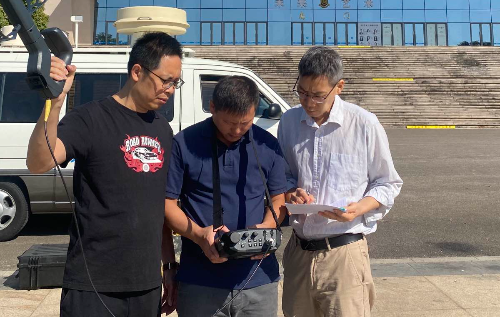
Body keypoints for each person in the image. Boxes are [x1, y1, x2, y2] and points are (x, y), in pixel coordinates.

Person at [26, 32, 183, 317]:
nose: (170, 90)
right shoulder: (90, 119)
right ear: (137, 72)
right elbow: (39, 162)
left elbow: (158, 207)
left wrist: (169, 266)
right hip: (93, 285)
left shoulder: (162, 129)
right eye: (166, 80)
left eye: (175, 83)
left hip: (146, 285)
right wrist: (55, 102)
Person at [278, 46, 403, 317]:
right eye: (302, 92)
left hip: (344, 254)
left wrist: (359, 208)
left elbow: (387, 183)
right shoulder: (288, 122)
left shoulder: (364, 124)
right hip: (298, 252)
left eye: (318, 95)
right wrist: (290, 192)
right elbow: (284, 174)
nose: (308, 102)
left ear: (339, 87)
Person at [165, 76, 288, 317]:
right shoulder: (184, 143)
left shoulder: (267, 144)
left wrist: (265, 229)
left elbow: (278, 199)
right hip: (200, 281)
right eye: (229, 122)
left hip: (259, 279)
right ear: (212, 107)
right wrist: (199, 235)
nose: (237, 130)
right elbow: (167, 205)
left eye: (245, 123)